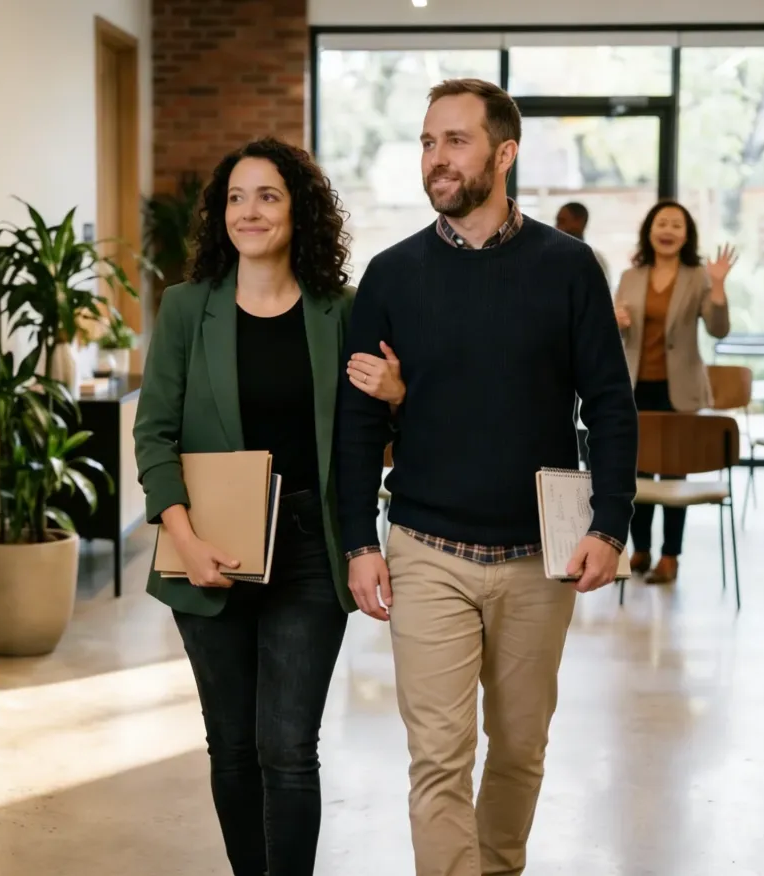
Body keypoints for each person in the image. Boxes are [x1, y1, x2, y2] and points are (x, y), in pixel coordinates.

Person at [335, 78, 638, 876]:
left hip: (539, 555)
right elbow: (359, 418)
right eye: (429, 142)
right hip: (425, 547)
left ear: (505, 153)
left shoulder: (569, 268)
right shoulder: (391, 275)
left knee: (519, 750)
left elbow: (610, 403)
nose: (437, 158)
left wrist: (611, 524)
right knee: (438, 757)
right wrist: (356, 543)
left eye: (456, 141)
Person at [132, 137, 405, 876]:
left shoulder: (339, 311)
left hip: (311, 542)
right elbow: (154, 432)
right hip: (208, 542)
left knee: (287, 746)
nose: (249, 212)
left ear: (300, 209)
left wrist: (398, 398)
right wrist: (182, 539)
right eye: (236, 198)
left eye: (268, 196)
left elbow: (379, 433)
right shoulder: (189, 309)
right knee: (232, 744)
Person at [612, 200, 737, 583]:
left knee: (673, 472)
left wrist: (717, 286)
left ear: (686, 235)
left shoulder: (697, 276)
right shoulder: (630, 276)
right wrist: (614, 320)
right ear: (650, 230)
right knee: (636, 473)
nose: (668, 230)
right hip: (633, 386)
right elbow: (616, 330)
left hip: (679, 389)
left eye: (676, 225)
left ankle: (670, 555)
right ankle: (641, 550)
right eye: (661, 223)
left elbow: (718, 329)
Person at [555, 200, 611, 284]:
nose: (557, 227)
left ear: (579, 222)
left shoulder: (594, 259)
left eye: (562, 221)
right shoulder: (551, 257)